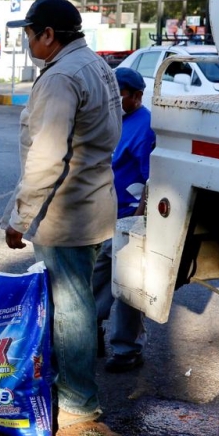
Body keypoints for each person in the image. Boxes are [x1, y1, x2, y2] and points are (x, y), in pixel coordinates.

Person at [3, 0, 123, 428]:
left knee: (71, 309)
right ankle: (72, 389)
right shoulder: (95, 65)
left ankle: (77, 401)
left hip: (65, 212)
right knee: (78, 302)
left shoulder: (61, 78)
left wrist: (19, 219)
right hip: (93, 205)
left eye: (30, 33)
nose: (27, 41)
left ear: (48, 35)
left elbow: (46, 158)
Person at [93, 68, 155, 373]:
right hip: (104, 218)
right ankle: (92, 334)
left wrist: (138, 216)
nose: (113, 99)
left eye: (120, 94)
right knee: (97, 280)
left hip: (129, 219)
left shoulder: (145, 127)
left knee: (128, 287)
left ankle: (127, 349)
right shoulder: (113, 121)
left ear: (137, 96)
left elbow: (151, 179)